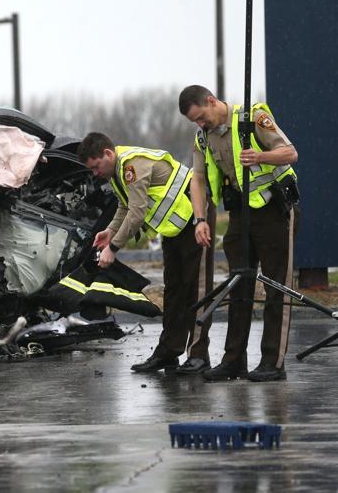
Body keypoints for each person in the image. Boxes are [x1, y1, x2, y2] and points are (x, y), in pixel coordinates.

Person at [179, 85, 298, 382]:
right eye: (195, 121)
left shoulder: (252, 118)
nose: (200, 124)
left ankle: (273, 361)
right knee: (238, 286)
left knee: (276, 287)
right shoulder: (203, 137)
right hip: (239, 216)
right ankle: (234, 361)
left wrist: (259, 157)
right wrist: (201, 219)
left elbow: (290, 153)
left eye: (201, 117)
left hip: (274, 211)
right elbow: (198, 178)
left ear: (211, 101)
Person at [77, 132, 209, 374]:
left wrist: (113, 248)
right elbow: (124, 206)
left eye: (96, 167)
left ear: (107, 154)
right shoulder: (118, 171)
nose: (95, 174)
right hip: (174, 228)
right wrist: (109, 231)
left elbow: (137, 214)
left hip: (193, 221)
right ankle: (168, 352)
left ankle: (199, 355)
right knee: (174, 291)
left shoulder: (130, 166)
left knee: (195, 290)